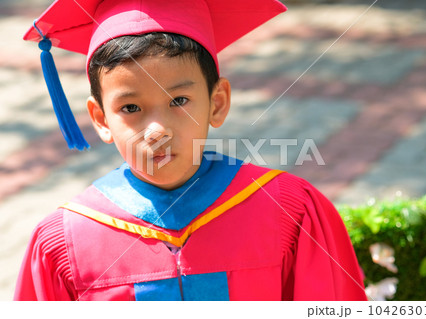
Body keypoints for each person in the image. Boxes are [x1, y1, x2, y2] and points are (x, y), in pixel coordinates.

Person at [14, 0, 367, 301]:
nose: (157, 130)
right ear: (101, 119)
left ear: (217, 103)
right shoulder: (65, 241)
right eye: (131, 108)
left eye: (179, 101)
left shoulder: (291, 213)